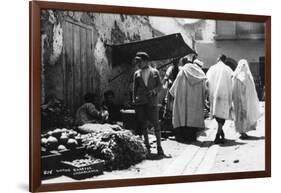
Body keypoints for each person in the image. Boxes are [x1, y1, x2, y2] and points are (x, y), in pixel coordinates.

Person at [132, 51, 165, 156]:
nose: (138, 64)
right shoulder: (137, 73)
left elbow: (160, 85)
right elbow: (134, 88)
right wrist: (134, 100)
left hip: (152, 102)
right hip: (141, 102)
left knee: (156, 123)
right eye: (137, 62)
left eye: (140, 62)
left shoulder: (155, 72)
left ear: (146, 61)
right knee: (143, 124)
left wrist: (154, 91)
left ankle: (159, 147)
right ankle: (147, 146)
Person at [169, 53, 207, 142]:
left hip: (183, 102)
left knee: (183, 116)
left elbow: (174, 89)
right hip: (195, 103)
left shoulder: (182, 72)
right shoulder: (200, 73)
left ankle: (183, 137)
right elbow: (206, 90)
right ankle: (192, 137)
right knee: (193, 118)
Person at [206, 54, 233, 144]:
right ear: (224, 60)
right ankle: (218, 134)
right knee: (222, 115)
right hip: (224, 95)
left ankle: (220, 132)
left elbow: (207, 82)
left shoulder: (212, 68)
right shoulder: (228, 69)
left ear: (219, 59)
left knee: (217, 115)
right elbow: (232, 81)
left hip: (214, 95)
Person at [232, 59, 260, 139]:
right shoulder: (247, 76)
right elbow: (251, 90)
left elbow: (232, 89)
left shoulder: (235, 76)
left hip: (238, 100)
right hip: (244, 100)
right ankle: (243, 131)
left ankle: (241, 131)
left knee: (239, 115)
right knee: (243, 115)